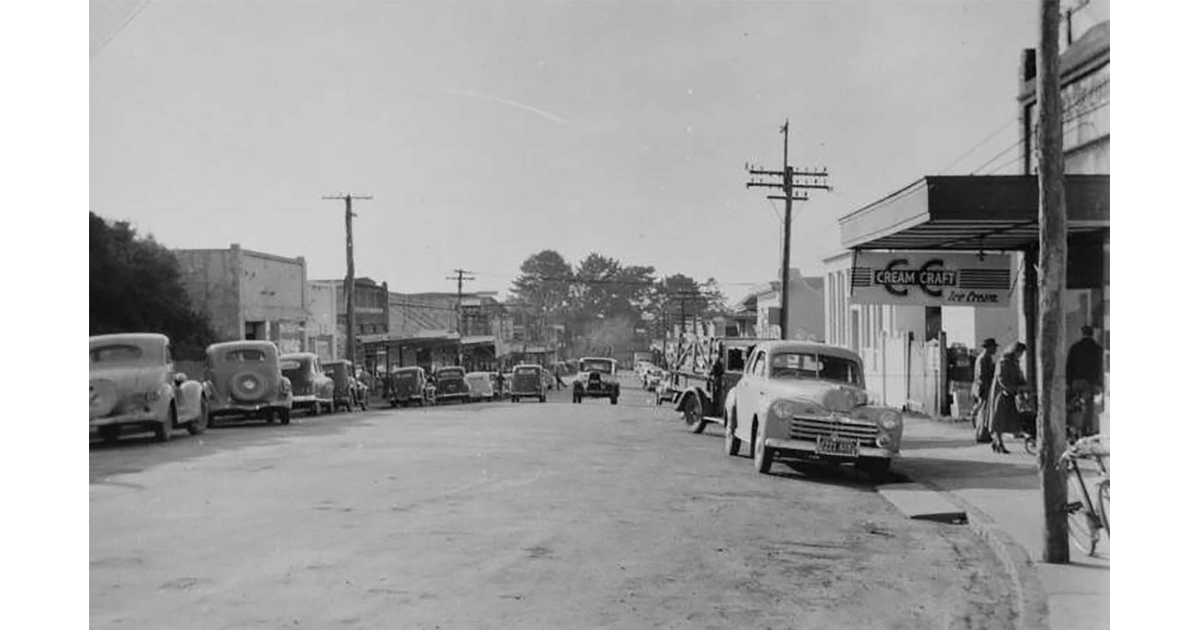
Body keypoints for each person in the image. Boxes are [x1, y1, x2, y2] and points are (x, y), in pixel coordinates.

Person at [987, 341, 1027, 453]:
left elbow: (1019, 376)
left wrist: (1023, 385)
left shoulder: (1014, 362)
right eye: (1019, 352)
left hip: (1010, 393)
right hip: (1002, 393)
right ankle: (998, 442)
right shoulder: (1003, 362)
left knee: (1006, 418)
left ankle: (997, 441)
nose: (1020, 355)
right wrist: (1011, 388)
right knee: (998, 418)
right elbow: (1001, 379)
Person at [1066, 325, 1105, 437]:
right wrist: (1099, 383)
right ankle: (1086, 429)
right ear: (1092, 334)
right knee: (1089, 406)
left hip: (1077, 381)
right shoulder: (1097, 349)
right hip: (1090, 382)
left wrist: (1069, 382)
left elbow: (1069, 366)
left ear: (1082, 333)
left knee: (1075, 405)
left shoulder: (1075, 347)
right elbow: (1100, 367)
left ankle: (1075, 428)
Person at [971, 338, 999, 442]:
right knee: (984, 412)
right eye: (994, 347)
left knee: (984, 411)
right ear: (989, 348)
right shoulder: (984, 359)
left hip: (982, 387)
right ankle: (982, 434)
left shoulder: (983, 358)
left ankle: (983, 434)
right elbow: (983, 376)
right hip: (984, 388)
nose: (995, 350)